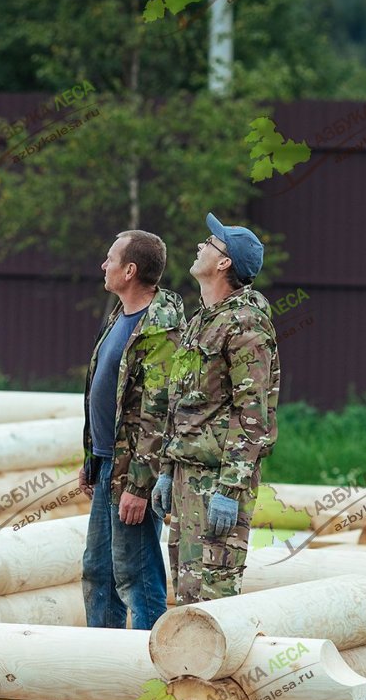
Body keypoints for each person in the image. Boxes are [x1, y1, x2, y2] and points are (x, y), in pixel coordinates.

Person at [151, 213, 280, 603]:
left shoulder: (245, 324)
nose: (199, 247)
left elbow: (252, 415)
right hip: (188, 476)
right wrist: (167, 471)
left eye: (209, 243)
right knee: (186, 591)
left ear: (224, 263)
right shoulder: (202, 321)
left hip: (219, 482)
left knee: (212, 596)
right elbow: (184, 405)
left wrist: (229, 488)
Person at [78, 230, 186, 629]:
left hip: (133, 474)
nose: (103, 266)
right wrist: (92, 457)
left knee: (136, 575)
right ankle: (106, 663)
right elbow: (104, 394)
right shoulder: (120, 315)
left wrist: (140, 486)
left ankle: (148, 667)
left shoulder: (161, 329)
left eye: (110, 259)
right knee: (98, 572)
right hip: (108, 465)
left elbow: (158, 414)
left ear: (130, 270)